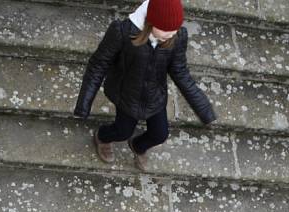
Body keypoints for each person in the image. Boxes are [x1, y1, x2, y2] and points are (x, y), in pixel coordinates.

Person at [74, 0, 216, 168]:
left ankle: (137, 146)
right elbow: (98, 65)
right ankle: (102, 136)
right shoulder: (122, 32)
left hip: (155, 96)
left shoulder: (177, 37)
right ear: (151, 21)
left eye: (174, 30)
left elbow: (181, 73)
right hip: (126, 94)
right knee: (122, 131)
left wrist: (204, 109)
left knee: (160, 134)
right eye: (166, 29)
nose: (171, 35)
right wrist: (84, 103)